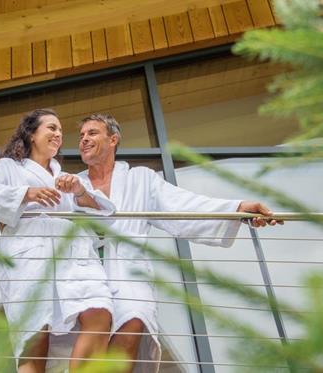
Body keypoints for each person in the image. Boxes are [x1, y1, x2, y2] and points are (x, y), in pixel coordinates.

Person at [75, 113, 281, 373]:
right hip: (86, 273)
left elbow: (183, 206)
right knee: (90, 347)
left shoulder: (140, 179)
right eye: (81, 135)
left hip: (128, 271)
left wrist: (238, 209)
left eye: (92, 133)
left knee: (133, 323)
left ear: (113, 139)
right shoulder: (73, 184)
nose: (84, 139)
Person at [0, 109, 116, 373]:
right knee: (35, 337)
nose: (58, 134)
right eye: (51, 128)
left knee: (99, 312)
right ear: (31, 134)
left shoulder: (64, 177)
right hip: (29, 256)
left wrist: (80, 191)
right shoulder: (9, 168)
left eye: (60, 130)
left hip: (73, 257)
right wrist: (26, 193)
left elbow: (104, 216)